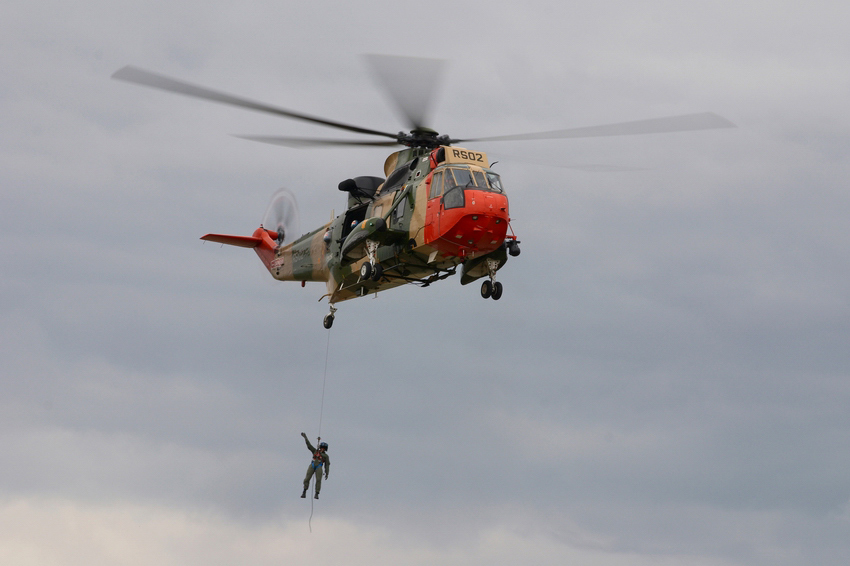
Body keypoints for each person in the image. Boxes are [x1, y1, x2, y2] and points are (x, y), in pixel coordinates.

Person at [300, 432, 330, 499]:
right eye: (321, 448)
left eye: (324, 448)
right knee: (307, 478)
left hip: (319, 466)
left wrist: (327, 473)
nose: (322, 449)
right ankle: (304, 491)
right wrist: (305, 437)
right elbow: (309, 445)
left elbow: (327, 465)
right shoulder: (315, 451)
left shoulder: (326, 456)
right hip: (313, 464)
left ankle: (317, 493)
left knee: (318, 479)